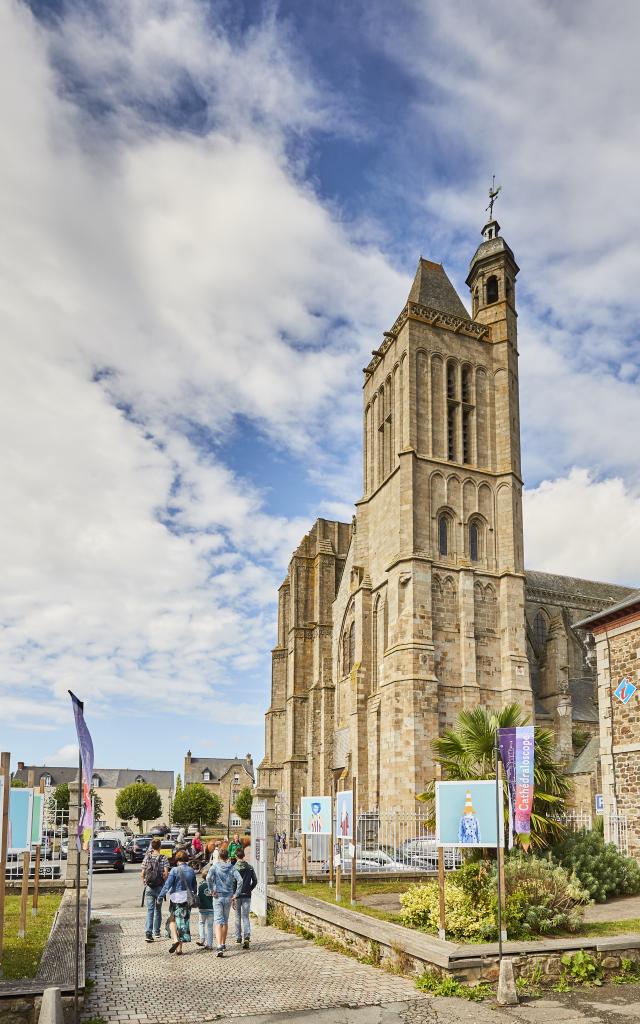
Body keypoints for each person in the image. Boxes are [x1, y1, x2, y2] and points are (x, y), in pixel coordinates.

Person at [157, 849, 197, 955]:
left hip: (176, 898)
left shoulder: (175, 870)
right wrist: (194, 896)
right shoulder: (191, 870)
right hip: (188, 899)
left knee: (172, 919)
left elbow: (167, 885)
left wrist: (160, 896)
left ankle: (175, 940)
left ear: (177, 859)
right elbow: (194, 886)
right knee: (183, 922)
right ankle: (179, 949)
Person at [206, 847, 235, 956]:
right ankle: (223, 943)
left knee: (218, 921)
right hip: (228, 896)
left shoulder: (215, 866)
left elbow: (208, 878)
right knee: (225, 921)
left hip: (217, 896)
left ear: (218, 857)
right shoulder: (232, 868)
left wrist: (211, 889)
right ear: (227, 856)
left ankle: (219, 947)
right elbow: (240, 880)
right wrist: (235, 894)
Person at [140, 837, 168, 943]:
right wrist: (164, 882)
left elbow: (142, 873)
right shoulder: (163, 858)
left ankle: (148, 933)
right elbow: (165, 874)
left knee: (150, 910)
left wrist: (144, 881)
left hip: (149, 888)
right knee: (158, 910)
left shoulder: (147, 857)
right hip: (160, 888)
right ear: (160, 846)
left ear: (152, 846)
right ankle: (156, 932)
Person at [231, 846, 257, 949]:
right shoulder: (250, 867)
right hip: (247, 894)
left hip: (237, 896)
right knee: (246, 917)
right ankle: (247, 936)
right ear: (244, 856)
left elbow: (233, 883)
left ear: (236, 856)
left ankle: (238, 937)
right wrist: (249, 889)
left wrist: (233, 895)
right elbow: (255, 881)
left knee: (237, 917)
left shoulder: (234, 868)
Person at [195, 868, 214, 950]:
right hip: (211, 908)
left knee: (201, 923)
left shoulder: (201, 886)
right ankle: (209, 944)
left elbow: (199, 897)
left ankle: (202, 939)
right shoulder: (213, 886)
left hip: (202, 908)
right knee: (210, 926)